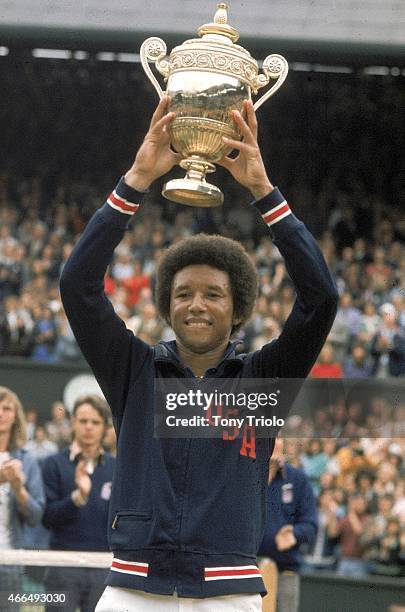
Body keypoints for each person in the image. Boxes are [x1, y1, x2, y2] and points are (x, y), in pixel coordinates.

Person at [60, 97, 338, 611]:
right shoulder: (133, 371)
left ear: (238, 309)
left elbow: (321, 299)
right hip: (132, 592)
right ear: (167, 305)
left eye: (214, 294)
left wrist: (263, 191)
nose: (197, 304)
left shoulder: (264, 380)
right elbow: (78, 285)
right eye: (184, 293)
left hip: (229, 595)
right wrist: (136, 180)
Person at [42, 395, 115, 612]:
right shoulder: (53, 464)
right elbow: (47, 518)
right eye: (83, 421)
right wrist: (77, 498)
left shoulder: (118, 467)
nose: (88, 427)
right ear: (73, 422)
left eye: (95, 422)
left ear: (104, 427)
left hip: (104, 566)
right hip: (62, 564)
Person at [257, 438, 318, 612]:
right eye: (270, 437)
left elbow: (311, 524)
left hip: (285, 570)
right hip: (248, 570)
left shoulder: (297, 479)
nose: (276, 442)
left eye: (278, 437)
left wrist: (294, 534)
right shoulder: (246, 476)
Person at [0, 386, 45, 609]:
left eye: (6, 408)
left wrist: (19, 489)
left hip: (10, 560)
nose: (0, 413)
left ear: (15, 416)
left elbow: (36, 516)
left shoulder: (27, 460)